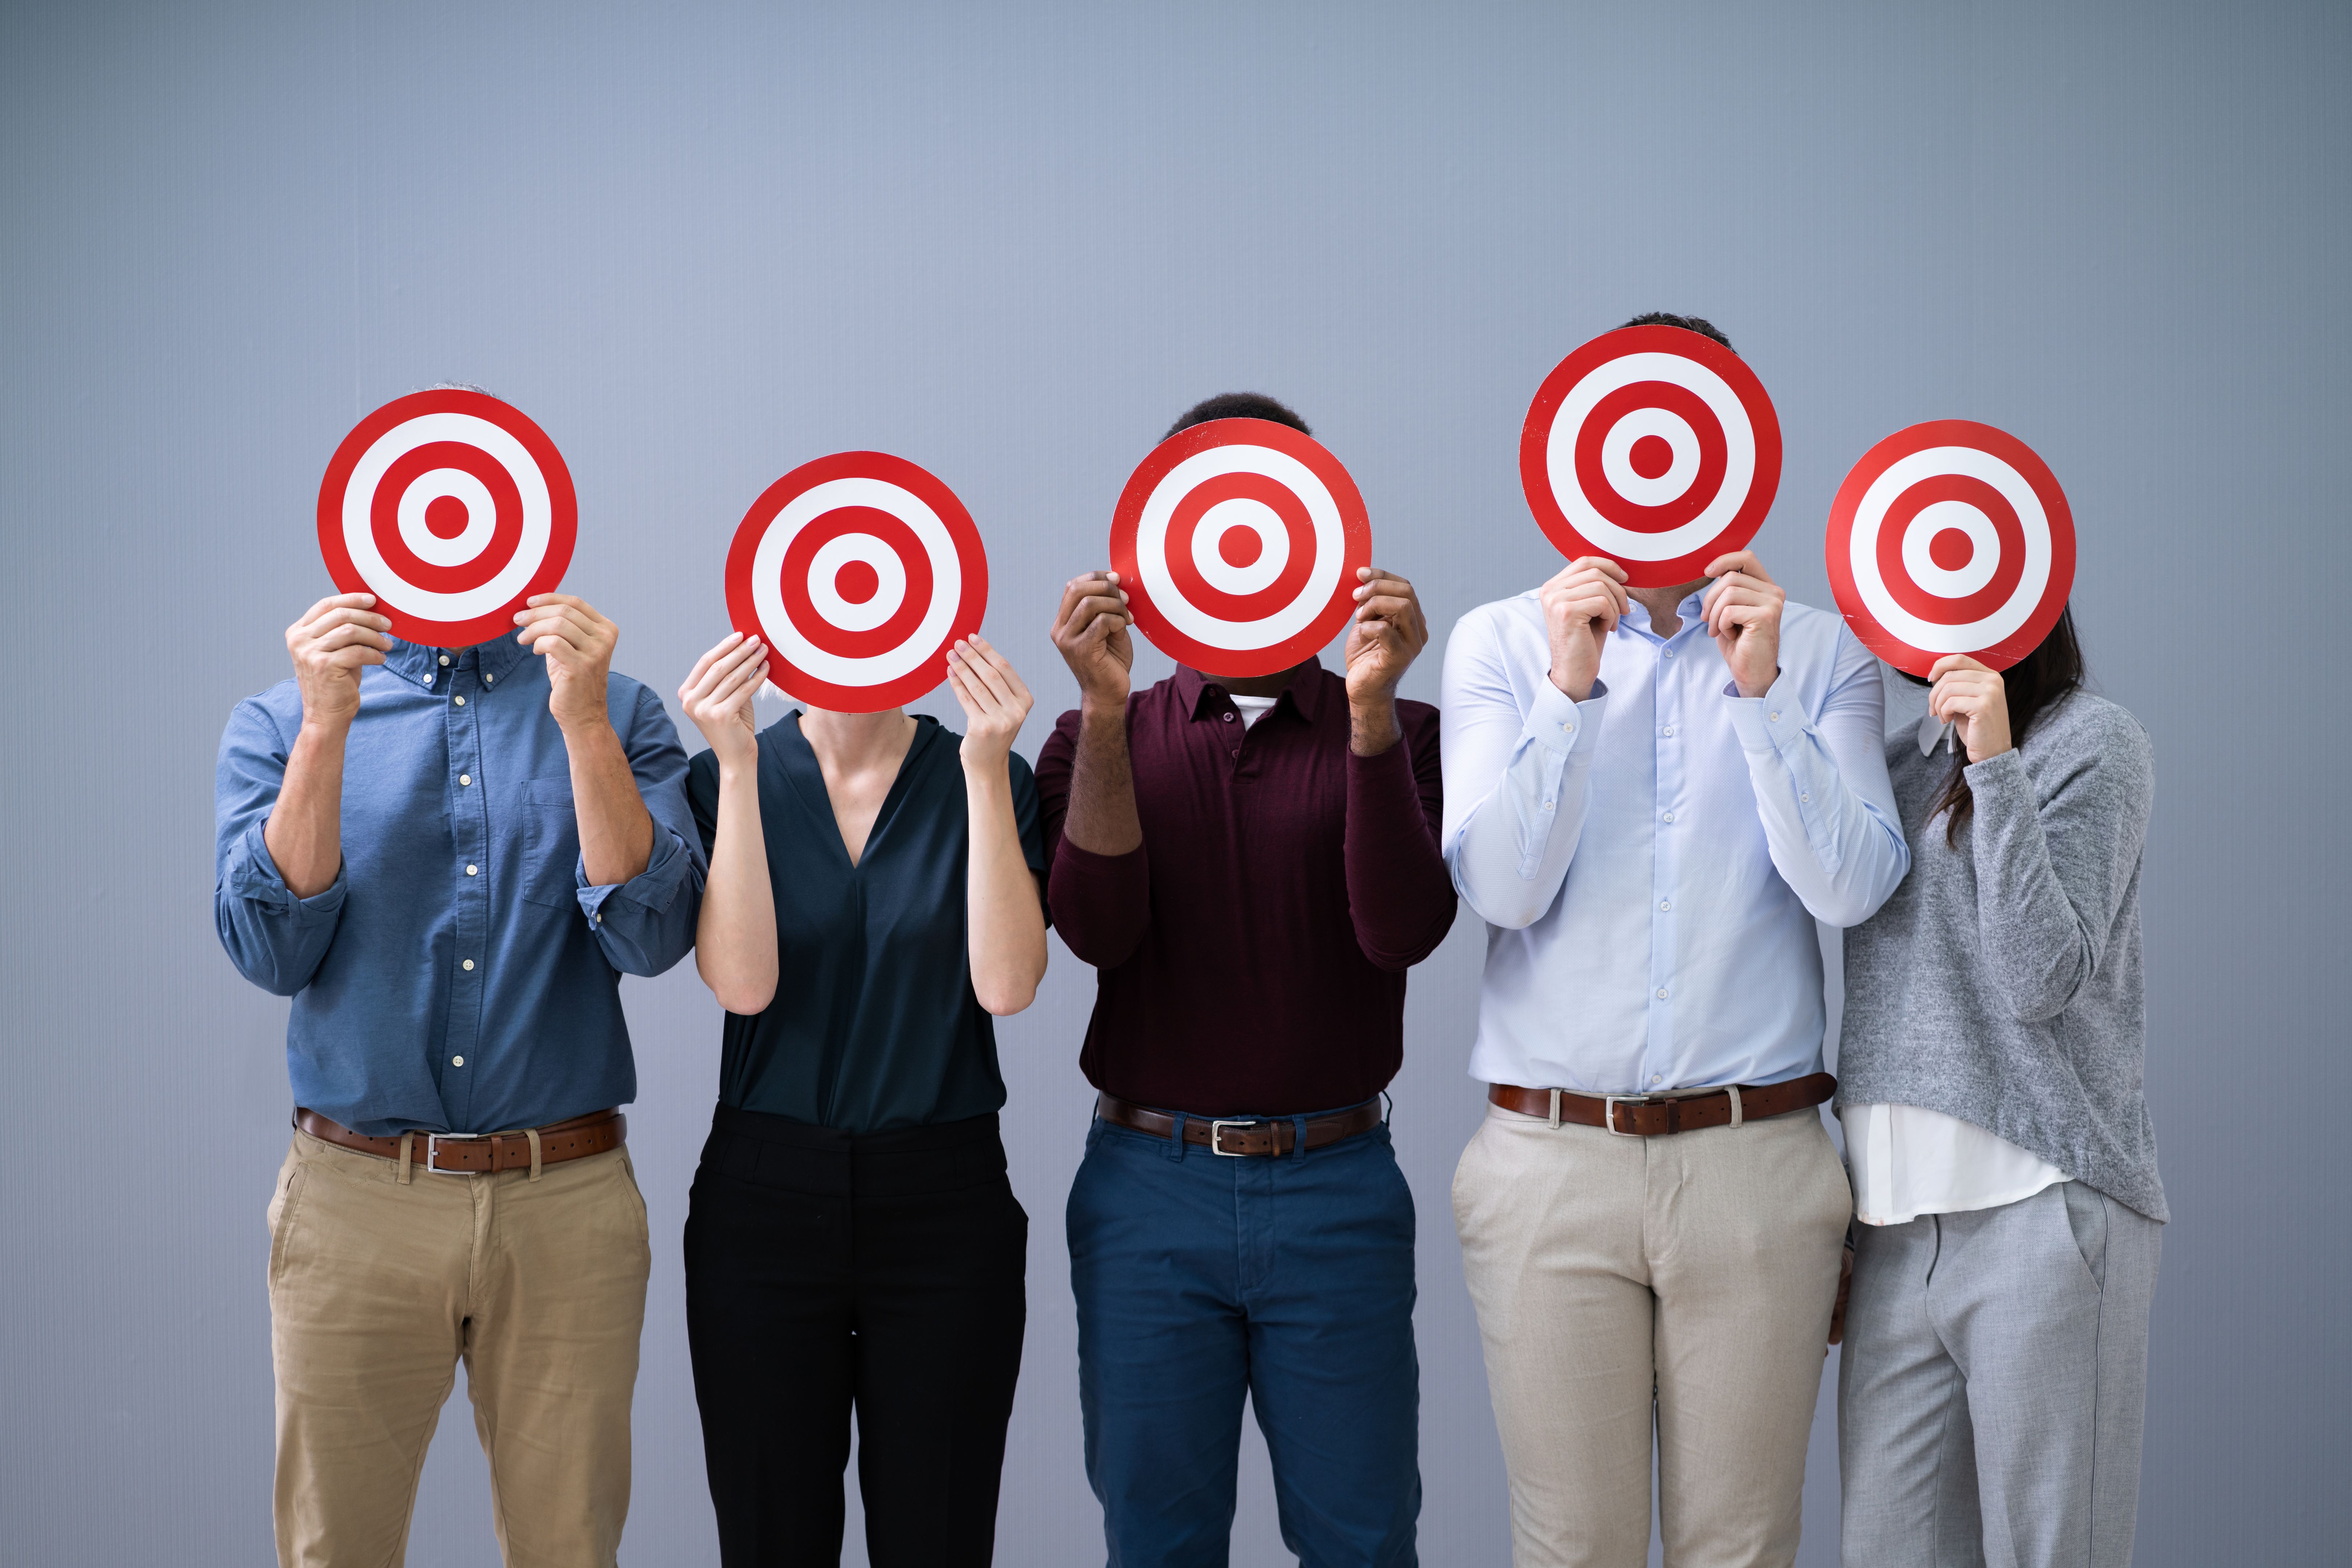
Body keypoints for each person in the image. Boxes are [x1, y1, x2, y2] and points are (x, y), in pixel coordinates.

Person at [1438, 314, 1910, 1568]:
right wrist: (1567, 691)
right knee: (1570, 1548)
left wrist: (1761, 703)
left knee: (1743, 1548)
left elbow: (1854, 890)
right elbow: (1502, 889)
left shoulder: (1818, 650)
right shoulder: (1500, 643)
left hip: (1755, 1163)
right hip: (1550, 1160)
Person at [1038, 391, 1457, 1568]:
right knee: (1158, 1543)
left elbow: (1402, 930)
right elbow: (1097, 931)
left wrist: (1369, 714)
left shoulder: (1405, 729)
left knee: (1363, 1542)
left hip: (1338, 1187)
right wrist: (1108, 710)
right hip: (1146, 1187)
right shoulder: (1093, 737)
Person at [215, 581, 703, 1568]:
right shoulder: (279, 718)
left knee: (570, 1548)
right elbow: (269, 954)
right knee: (332, 1549)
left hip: (565, 1204)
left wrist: (582, 723)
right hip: (355, 1203)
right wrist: (323, 730)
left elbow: (653, 937)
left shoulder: (617, 707)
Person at [675, 627, 1049, 1567]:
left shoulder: (989, 773)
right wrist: (734, 765)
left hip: (945, 1198)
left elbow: (1006, 986)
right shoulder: (723, 778)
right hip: (764, 1198)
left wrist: (984, 768)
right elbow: (744, 986)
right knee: (771, 1541)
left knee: (941, 1538)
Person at [1836, 612, 2163, 1568]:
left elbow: (2042, 978)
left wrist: (1996, 766)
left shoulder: (2093, 742)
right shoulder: (1894, 765)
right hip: (1895, 1237)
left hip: (2044, 1211)